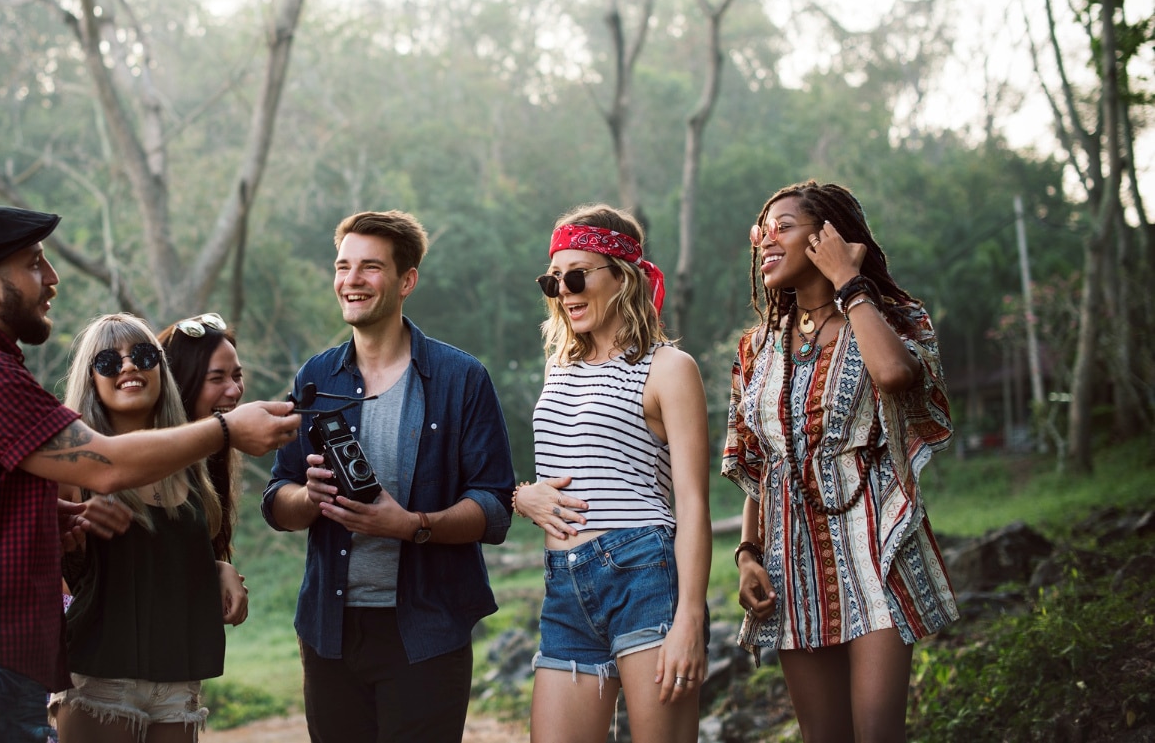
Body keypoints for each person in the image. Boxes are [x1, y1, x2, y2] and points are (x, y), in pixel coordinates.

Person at [0, 205, 300, 743]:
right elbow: (106, 464)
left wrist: (48, 517)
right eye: (35, 264)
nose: (52, 279)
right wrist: (227, 430)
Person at [262, 209, 516, 743]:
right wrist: (307, 500)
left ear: (407, 281)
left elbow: (494, 506)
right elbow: (276, 500)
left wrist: (409, 524)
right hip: (330, 632)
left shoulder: (461, 377)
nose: (351, 280)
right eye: (342, 266)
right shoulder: (315, 375)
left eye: (369, 267)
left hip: (427, 629)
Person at [722, 180, 957, 743]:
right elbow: (760, 460)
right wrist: (748, 553)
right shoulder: (758, 346)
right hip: (788, 562)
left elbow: (895, 377)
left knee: (877, 733)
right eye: (762, 231)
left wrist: (849, 283)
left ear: (827, 237)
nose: (766, 242)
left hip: (872, 545)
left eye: (784, 227)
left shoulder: (890, 318)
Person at [511, 203, 711, 743]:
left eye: (576, 276)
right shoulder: (559, 366)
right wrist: (520, 497)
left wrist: (690, 618)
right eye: (553, 281)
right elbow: (558, 469)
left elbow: (692, 504)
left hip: (642, 574)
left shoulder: (670, 367)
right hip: (564, 585)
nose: (564, 291)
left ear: (622, 276)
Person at [52, 313, 247, 743]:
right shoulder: (70, 463)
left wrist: (216, 567)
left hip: (177, 678)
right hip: (99, 675)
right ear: (91, 379)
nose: (128, 367)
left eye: (142, 355)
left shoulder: (190, 463)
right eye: (108, 361)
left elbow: (168, 551)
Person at [156, 312, 245, 566]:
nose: (234, 390)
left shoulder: (214, 454)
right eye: (216, 378)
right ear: (183, 384)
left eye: (237, 375)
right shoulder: (155, 465)